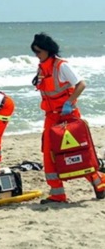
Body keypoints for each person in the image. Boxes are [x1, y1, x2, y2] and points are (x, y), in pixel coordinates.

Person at [30, 32, 105, 203]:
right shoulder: (42, 68)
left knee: (76, 152)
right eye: (35, 52)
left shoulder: (61, 66)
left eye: (38, 52)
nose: (36, 55)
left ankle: (99, 181)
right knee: (49, 153)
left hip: (67, 115)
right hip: (51, 117)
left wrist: (69, 103)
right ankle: (57, 193)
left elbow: (81, 84)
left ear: (48, 50)